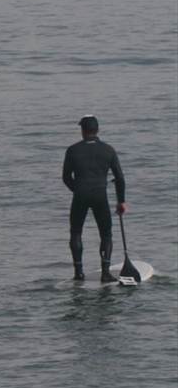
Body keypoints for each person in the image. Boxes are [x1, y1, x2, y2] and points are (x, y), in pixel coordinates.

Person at [62, 116, 127, 282]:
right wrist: (121, 202)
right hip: (100, 195)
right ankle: (105, 273)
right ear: (97, 130)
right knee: (106, 234)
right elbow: (120, 178)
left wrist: (77, 190)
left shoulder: (73, 150)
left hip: (80, 195)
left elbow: (66, 177)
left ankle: (78, 273)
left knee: (76, 232)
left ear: (83, 131)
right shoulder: (108, 150)